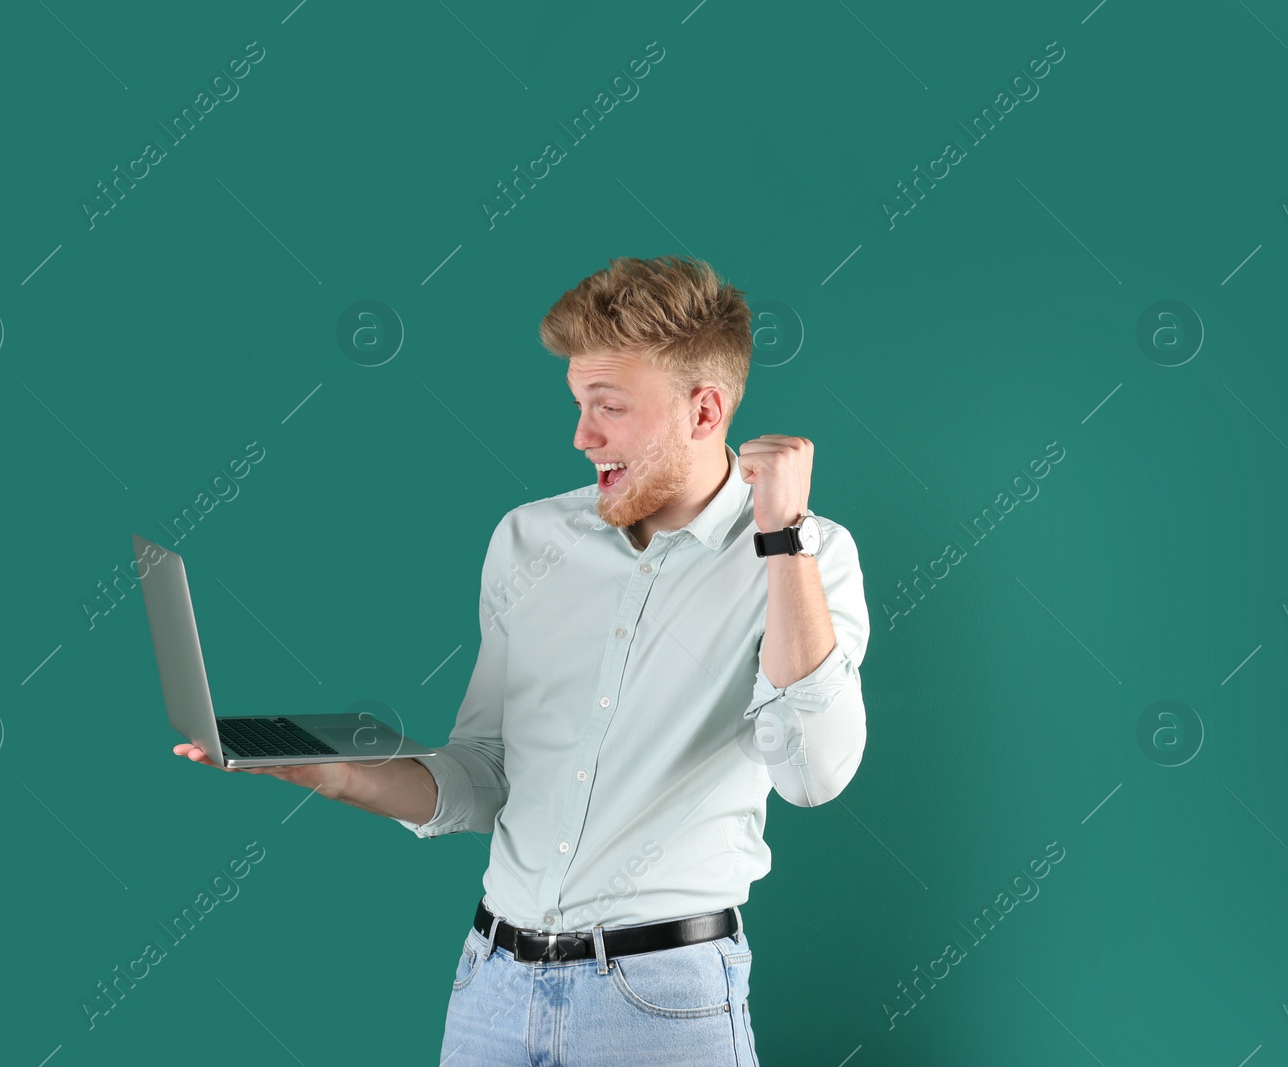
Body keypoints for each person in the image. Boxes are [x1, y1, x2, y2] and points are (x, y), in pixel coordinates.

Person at [173, 255, 870, 1065]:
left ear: (704, 409)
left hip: (660, 1004)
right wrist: (333, 773)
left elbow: (814, 772)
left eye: (608, 407)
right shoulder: (527, 541)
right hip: (491, 989)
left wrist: (782, 539)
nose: (582, 435)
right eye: (579, 403)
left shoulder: (807, 560)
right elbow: (485, 771)